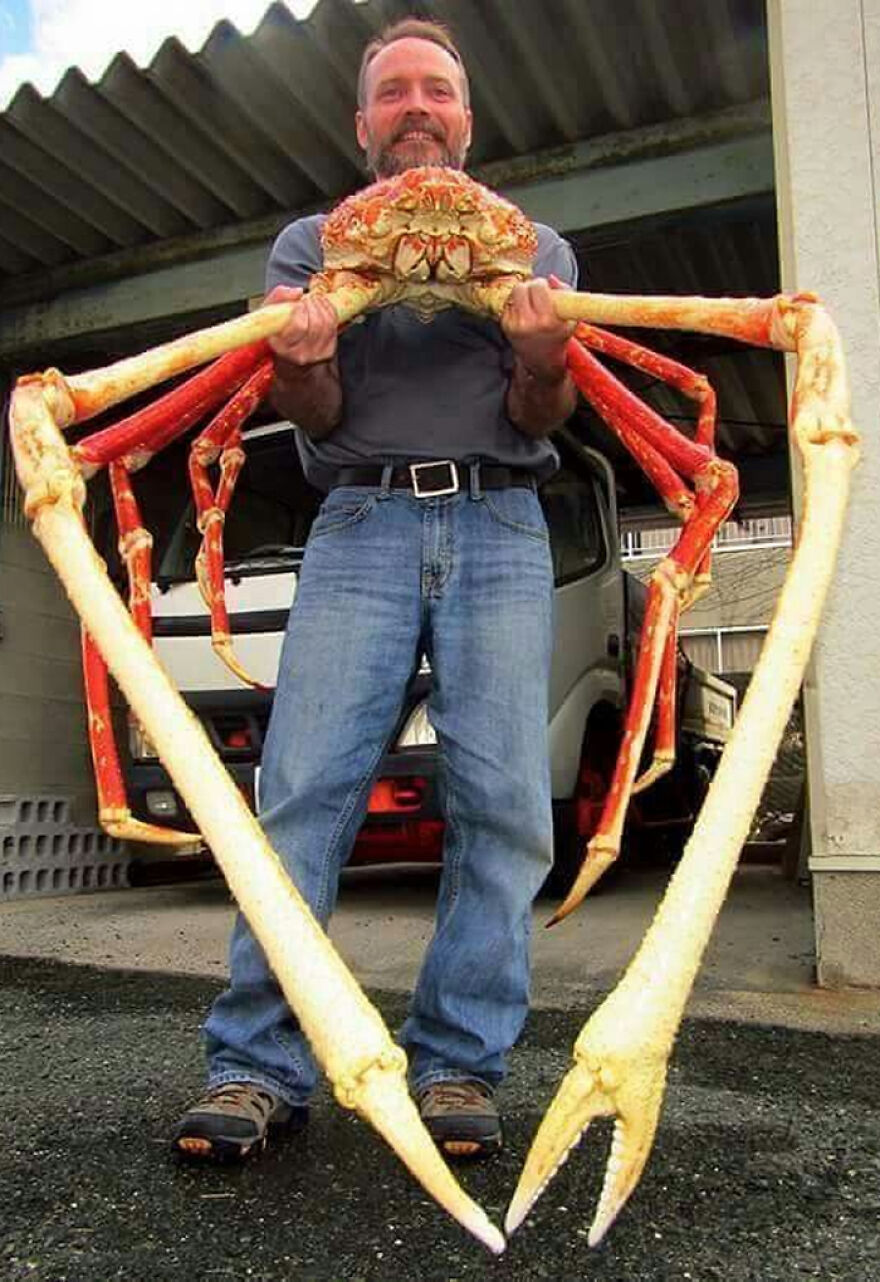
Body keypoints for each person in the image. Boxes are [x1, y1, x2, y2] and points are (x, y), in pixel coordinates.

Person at [173, 17, 578, 1164]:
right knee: (301, 795)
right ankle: (257, 1064)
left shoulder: (532, 243)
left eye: (435, 89)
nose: (415, 106)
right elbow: (316, 419)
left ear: (465, 117)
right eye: (392, 91)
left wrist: (546, 355)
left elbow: (540, 415)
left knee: (503, 805)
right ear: (363, 126)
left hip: (501, 520)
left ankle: (457, 1063)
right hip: (356, 523)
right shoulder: (312, 243)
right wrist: (297, 362)